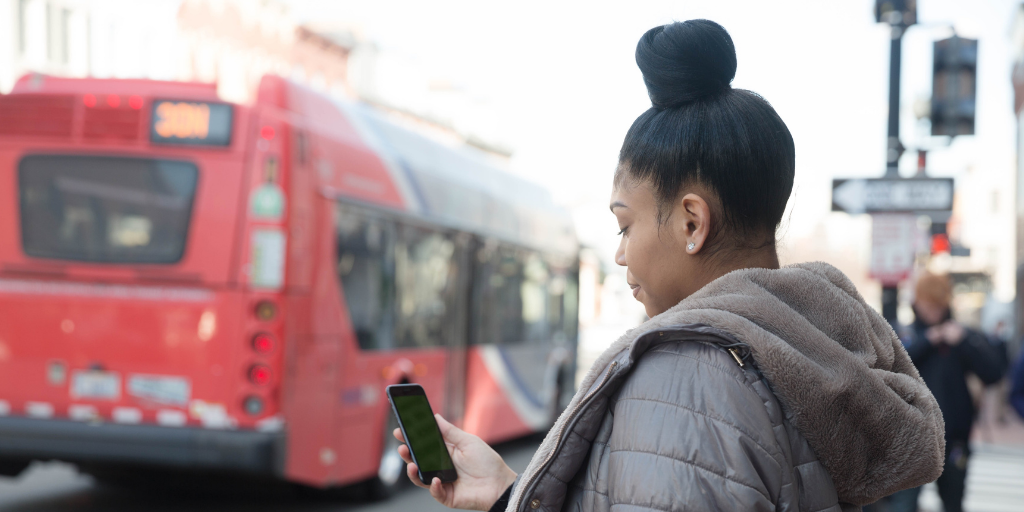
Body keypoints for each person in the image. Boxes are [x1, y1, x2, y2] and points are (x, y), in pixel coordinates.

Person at [393, 20, 945, 512]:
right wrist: (510, 496)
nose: (619, 253)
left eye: (624, 225)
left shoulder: (685, 380)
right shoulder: (809, 351)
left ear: (690, 224)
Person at [887, 273, 1004, 512]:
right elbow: (892, 365)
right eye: (928, 305)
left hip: (953, 439)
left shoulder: (962, 337)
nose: (933, 312)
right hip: (911, 439)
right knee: (903, 504)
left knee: (953, 502)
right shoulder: (907, 336)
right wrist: (928, 340)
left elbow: (993, 373)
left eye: (938, 306)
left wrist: (964, 342)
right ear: (917, 303)